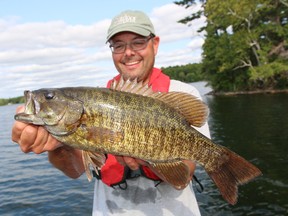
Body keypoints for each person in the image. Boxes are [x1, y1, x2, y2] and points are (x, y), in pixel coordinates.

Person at [12, 10, 210, 216]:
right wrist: (58, 146)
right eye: (118, 45)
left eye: (138, 42)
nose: (128, 52)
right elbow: (74, 170)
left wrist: (150, 156)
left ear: (155, 43)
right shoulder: (97, 100)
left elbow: (183, 176)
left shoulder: (184, 94)